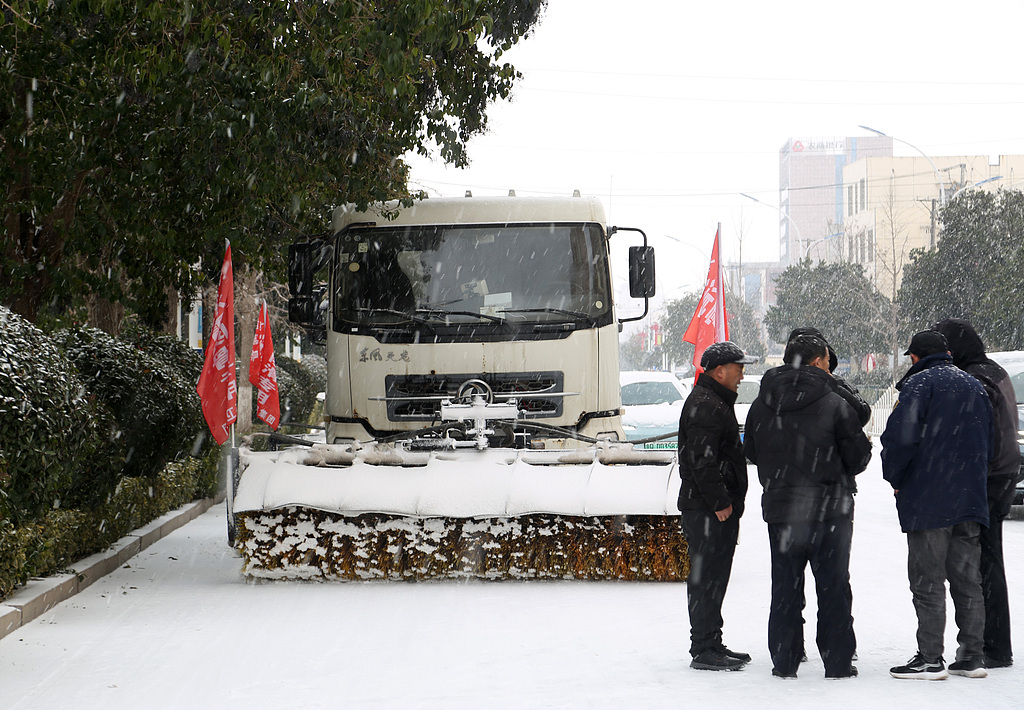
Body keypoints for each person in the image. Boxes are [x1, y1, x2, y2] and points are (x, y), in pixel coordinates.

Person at [744, 333, 871, 679]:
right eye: (829, 361)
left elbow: (752, 452)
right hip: (830, 511)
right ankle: (838, 661)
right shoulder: (834, 403)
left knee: (784, 586)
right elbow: (858, 457)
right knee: (833, 587)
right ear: (817, 362)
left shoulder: (762, 403)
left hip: (782, 511)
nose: (831, 368)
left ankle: (785, 660)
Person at [881, 330, 992, 680]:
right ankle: (972, 656)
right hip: (970, 498)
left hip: (929, 499)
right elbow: (990, 440)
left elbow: (900, 439)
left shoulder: (919, 386)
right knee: (967, 579)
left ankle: (930, 657)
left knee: (928, 580)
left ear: (915, 357)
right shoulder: (975, 386)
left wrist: (896, 478)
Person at [931, 318, 1019, 669]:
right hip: (1002, 473)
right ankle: (995, 643)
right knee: (988, 559)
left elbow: (973, 429)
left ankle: (993, 646)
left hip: (988, 476)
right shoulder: (991, 369)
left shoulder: (976, 377)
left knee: (982, 563)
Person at [677, 341, 757, 671]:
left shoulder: (713, 400)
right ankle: (704, 648)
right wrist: (721, 501)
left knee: (714, 578)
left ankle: (712, 641)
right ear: (719, 371)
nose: (742, 374)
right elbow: (700, 460)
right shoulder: (706, 404)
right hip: (707, 510)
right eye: (738, 368)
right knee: (706, 578)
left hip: (711, 509)